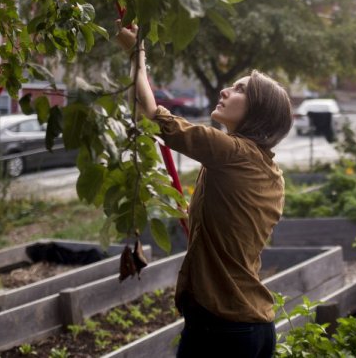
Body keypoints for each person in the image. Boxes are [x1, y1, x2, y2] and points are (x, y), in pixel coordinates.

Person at [116, 23, 293, 358]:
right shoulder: (269, 169)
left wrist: (135, 54)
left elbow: (153, 116)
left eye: (240, 89)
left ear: (258, 111)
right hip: (248, 328)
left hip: (222, 329)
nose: (225, 91)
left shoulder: (233, 152)